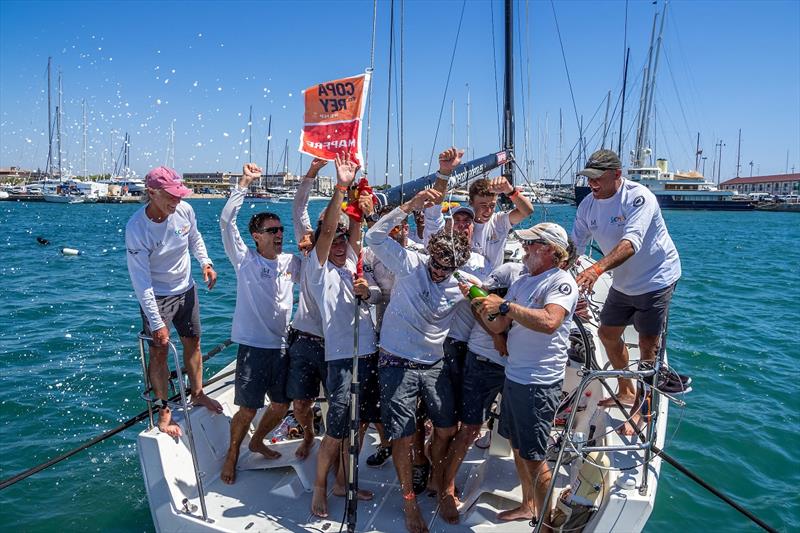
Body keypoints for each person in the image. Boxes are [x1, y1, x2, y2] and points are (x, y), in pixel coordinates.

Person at [365, 189, 471, 533]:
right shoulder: (410, 265)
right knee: (404, 435)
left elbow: (495, 304)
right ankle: (409, 501)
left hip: (434, 364)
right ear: (429, 256)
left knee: (446, 429)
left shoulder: (462, 284)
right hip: (396, 360)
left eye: (448, 267)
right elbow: (374, 236)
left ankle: (440, 484)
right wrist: (408, 208)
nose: (440, 272)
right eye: (436, 264)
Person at [570, 149, 682, 435]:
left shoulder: (638, 197)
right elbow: (575, 247)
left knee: (648, 346)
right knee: (607, 334)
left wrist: (595, 271)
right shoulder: (587, 206)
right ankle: (626, 390)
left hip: (656, 278)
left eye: (598, 178)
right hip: (622, 281)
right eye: (589, 178)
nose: (592, 183)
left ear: (617, 175)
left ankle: (642, 411)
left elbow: (630, 244)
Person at [473, 222, 578, 524]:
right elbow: (501, 326)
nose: (525, 248)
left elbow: (549, 321)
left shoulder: (561, 282)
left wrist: (504, 306)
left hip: (538, 384)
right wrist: (480, 304)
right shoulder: (521, 282)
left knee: (534, 458)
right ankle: (529, 504)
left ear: (551, 250)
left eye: (532, 244)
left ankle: (545, 524)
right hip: (515, 377)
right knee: (519, 448)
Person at [307, 153, 379, 518]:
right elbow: (334, 223)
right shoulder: (316, 267)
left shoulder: (352, 258)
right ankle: (320, 488)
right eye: (330, 238)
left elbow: (353, 223)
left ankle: (344, 481)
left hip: (368, 354)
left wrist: (355, 182)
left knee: (359, 425)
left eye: (341, 239)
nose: (338, 243)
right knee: (335, 429)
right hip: (341, 359)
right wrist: (338, 187)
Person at [218, 163, 300, 484]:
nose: (280, 235)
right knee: (248, 410)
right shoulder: (245, 260)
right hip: (253, 349)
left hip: (282, 347)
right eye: (272, 231)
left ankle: (258, 440)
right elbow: (226, 222)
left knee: (281, 406)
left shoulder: (291, 261)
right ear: (256, 237)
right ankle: (233, 453)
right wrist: (243, 184)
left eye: (281, 230)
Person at [125, 166, 222, 438]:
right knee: (159, 350)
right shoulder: (136, 228)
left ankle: (198, 393)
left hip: (187, 289)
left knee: (194, 343)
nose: (176, 201)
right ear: (152, 193)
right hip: (157, 295)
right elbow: (140, 281)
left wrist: (206, 262)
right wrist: (156, 322)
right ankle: (163, 408)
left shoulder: (184, 211)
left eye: (179, 195)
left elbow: (194, 237)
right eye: (171, 196)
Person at [438, 260, 526, 523]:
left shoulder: (551, 284)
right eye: (531, 245)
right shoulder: (511, 271)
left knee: (518, 435)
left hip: (519, 368)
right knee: (469, 429)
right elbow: (477, 301)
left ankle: (530, 501)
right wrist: (496, 335)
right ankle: (446, 489)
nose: (530, 250)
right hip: (484, 361)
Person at [286, 157, 329, 460]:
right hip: (304, 338)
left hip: (336, 342)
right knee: (301, 403)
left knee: (342, 403)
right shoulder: (309, 246)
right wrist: (311, 173)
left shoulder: (352, 253)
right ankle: (309, 433)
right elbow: (298, 209)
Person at [429, 147, 534, 270]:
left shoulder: (499, 221)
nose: (488, 211)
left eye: (492, 206)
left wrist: (510, 191)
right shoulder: (460, 223)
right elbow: (433, 215)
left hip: (492, 283)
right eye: (483, 205)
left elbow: (527, 211)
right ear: (471, 203)